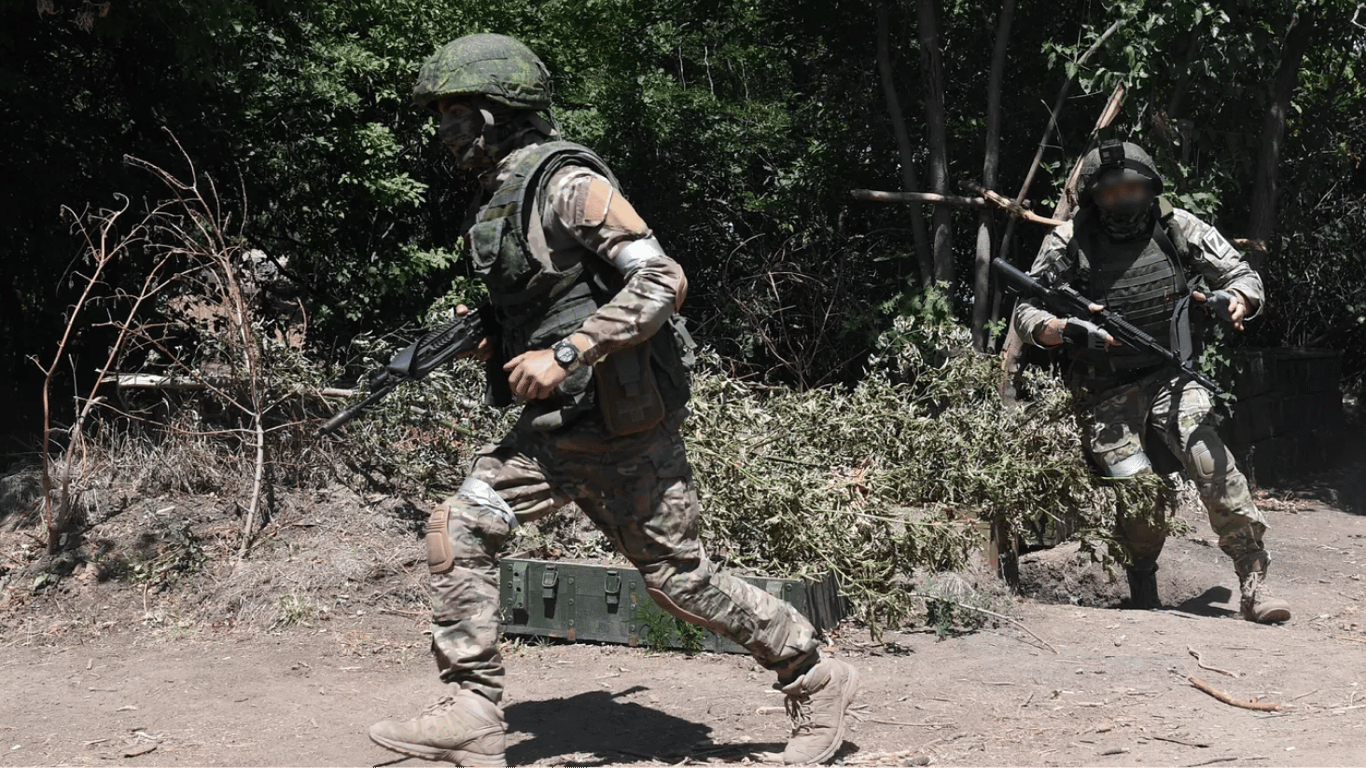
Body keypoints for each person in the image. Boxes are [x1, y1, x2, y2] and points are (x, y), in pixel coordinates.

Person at [366, 33, 858, 767]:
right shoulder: (503, 194)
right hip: (556, 436)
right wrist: (502, 343)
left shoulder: (567, 184)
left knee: (680, 585)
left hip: (625, 429)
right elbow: (556, 297)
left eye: (455, 112)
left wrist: (567, 352)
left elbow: (661, 280)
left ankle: (816, 676)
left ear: (498, 113)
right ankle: (473, 708)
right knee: (457, 527)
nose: (443, 128)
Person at [1012, 140, 1292, 624]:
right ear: (1094, 198)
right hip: (1105, 392)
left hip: (1171, 376)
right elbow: (1025, 307)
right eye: (1112, 192)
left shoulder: (1176, 226)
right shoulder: (1069, 240)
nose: (1124, 200)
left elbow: (1244, 276)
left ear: (1151, 186)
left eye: (1134, 188)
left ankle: (1252, 581)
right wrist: (1063, 330)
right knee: (1141, 492)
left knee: (1209, 461)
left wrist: (1235, 301)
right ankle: (1143, 576)